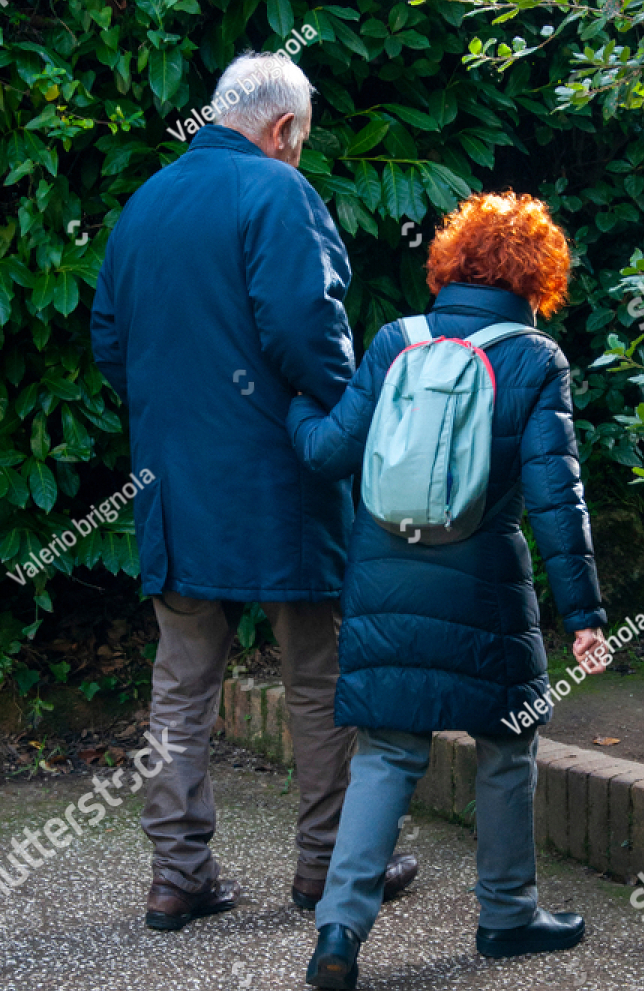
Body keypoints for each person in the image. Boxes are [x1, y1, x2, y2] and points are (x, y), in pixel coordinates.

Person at [90, 51, 417, 931]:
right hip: (281, 478)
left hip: (175, 487)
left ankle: (178, 877)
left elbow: (110, 345)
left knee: (181, 685)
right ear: (281, 130)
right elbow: (308, 331)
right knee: (318, 677)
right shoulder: (278, 194)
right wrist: (349, 418)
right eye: (300, 141)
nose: (300, 156)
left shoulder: (144, 203)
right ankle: (329, 867)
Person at [287, 191, 607, 991]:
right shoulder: (534, 359)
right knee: (507, 746)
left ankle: (339, 927)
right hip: (486, 587)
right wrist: (585, 614)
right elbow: (555, 500)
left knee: (387, 752)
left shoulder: (398, 340)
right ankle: (506, 916)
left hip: (384, 577)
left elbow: (328, 454)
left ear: (452, 260)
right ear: (538, 276)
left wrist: (294, 408)